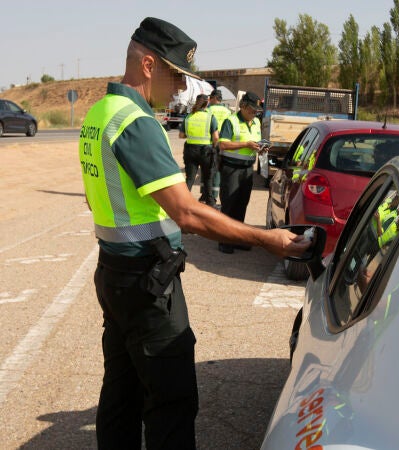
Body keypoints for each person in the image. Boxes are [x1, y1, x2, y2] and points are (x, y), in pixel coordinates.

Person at [77, 17, 309, 450]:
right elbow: (187, 213)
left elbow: (96, 199)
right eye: (177, 75)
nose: (182, 88)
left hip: (113, 274)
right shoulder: (136, 122)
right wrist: (266, 239)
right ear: (149, 65)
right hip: (148, 285)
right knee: (171, 402)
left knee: (121, 393)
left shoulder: (99, 114)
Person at [216, 91, 264, 254]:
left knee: (241, 204)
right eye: (251, 110)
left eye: (256, 111)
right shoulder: (231, 121)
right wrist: (246, 144)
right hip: (232, 169)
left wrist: (260, 148)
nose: (253, 113)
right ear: (242, 106)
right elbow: (223, 145)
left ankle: (237, 239)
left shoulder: (256, 122)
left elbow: (255, 142)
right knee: (229, 204)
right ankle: (224, 240)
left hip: (247, 169)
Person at [179, 93, 218, 206]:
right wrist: (214, 148)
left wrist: (191, 136)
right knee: (207, 178)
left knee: (190, 178)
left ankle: (184, 202)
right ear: (207, 103)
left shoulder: (188, 116)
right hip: (206, 151)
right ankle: (211, 203)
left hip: (190, 150)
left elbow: (181, 135)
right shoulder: (210, 116)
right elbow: (215, 137)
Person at [207, 89, 231, 205]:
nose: (209, 100)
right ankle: (217, 195)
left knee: (210, 170)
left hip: (211, 143)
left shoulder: (209, 110)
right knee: (220, 170)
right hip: (224, 144)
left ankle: (211, 196)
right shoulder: (228, 111)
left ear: (214, 98)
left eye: (210, 98)